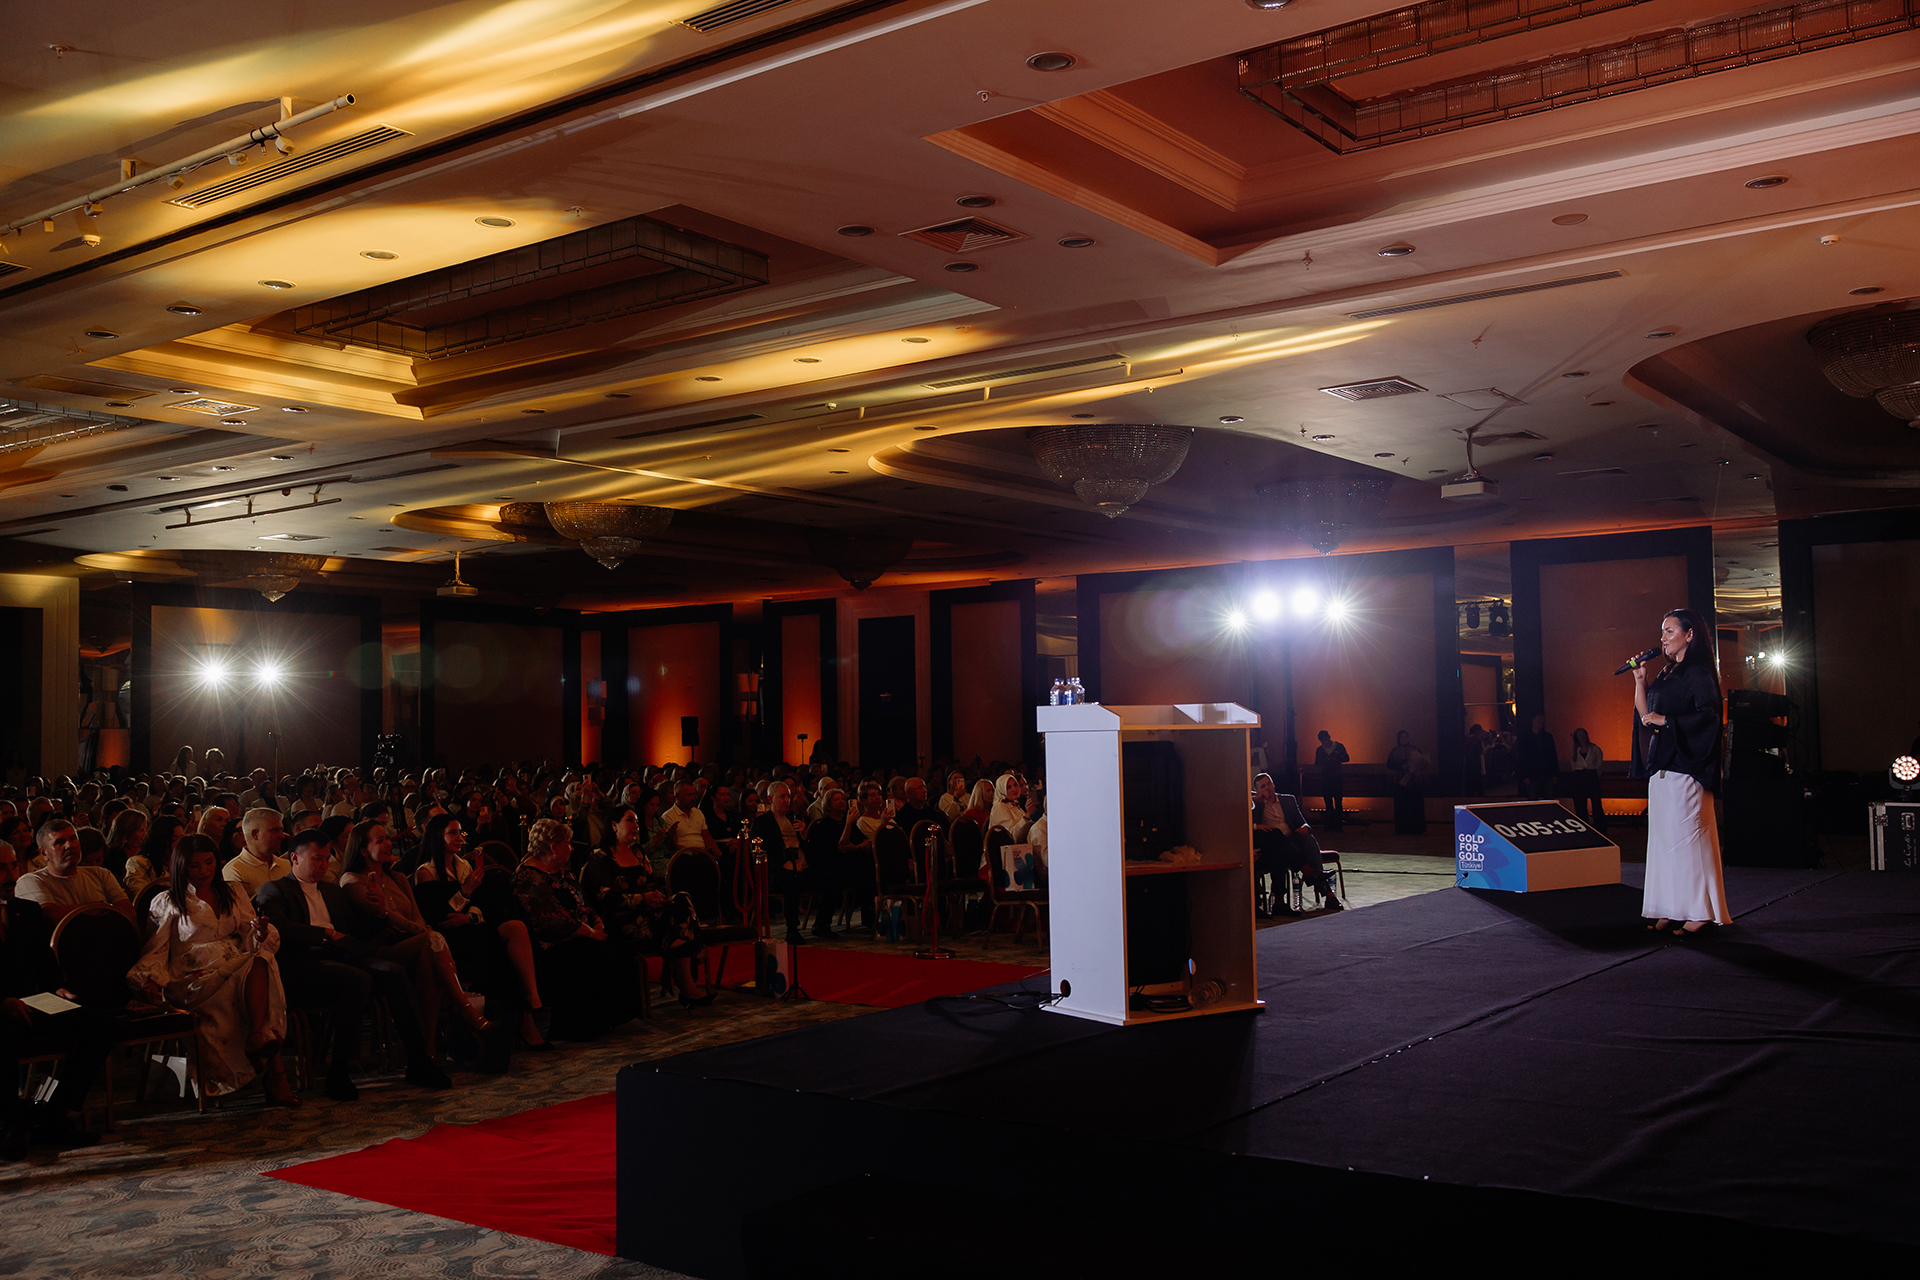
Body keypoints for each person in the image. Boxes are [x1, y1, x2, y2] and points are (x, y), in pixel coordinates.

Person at [254, 829, 453, 1100]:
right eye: (316, 858)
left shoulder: (331, 891)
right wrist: (324, 934)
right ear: (295, 858)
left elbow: (356, 932)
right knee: (357, 979)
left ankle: (418, 1059)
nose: (323, 865)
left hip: (342, 954)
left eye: (326, 858)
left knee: (392, 972)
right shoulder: (276, 889)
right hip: (304, 963)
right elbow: (280, 928)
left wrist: (379, 913)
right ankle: (339, 1070)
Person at [129, 835, 297, 1106]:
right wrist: (149, 979)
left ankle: (257, 1037)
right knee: (253, 977)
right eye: (195, 866)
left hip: (234, 962)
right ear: (181, 867)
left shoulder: (232, 892)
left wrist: (259, 932)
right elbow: (157, 947)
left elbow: (248, 934)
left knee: (262, 958)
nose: (204, 871)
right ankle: (274, 1071)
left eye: (209, 863)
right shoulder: (168, 900)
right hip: (193, 976)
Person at [338, 819, 492, 1055]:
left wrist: (423, 932)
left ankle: (428, 1048)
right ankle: (466, 1011)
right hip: (380, 949)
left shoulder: (398, 878)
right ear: (363, 850)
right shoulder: (352, 880)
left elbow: (417, 916)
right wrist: (425, 933)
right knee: (433, 941)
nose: (388, 844)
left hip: (414, 945)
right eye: (380, 840)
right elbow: (387, 918)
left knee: (429, 962)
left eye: (387, 838)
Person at [1, 838, 114, 1156]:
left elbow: (44, 962)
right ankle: (8, 1124)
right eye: (1, 868)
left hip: (34, 1001)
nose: (11, 875)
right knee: (3, 1037)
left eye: (13, 865)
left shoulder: (25, 910)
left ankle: (55, 1113)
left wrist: (57, 988)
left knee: (100, 1026)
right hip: (1, 1009)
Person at [1629, 607, 1730, 936]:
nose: (1663, 638)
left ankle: (1700, 911)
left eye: (1669, 631)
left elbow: (1710, 717)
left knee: (1688, 842)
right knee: (1664, 843)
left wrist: (1668, 721)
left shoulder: (1699, 672)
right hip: (1663, 767)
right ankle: (1670, 908)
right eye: (1662, 631)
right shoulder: (1666, 673)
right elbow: (1646, 716)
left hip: (1687, 768)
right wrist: (1640, 681)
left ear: (1690, 635)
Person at [410, 814, 547, 1050]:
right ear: (437, 837)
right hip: (448, 939)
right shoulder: (427, 872)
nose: (459, 838)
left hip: (471, 927)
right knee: (496, 951)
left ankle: (529, 1003)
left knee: (517, 929)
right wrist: (465, 892)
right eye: (452, 833)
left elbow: (482, 903)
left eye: (460, 832)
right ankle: (515, 1022)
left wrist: (469, 915)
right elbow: (442, 917)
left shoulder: (463, 865)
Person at [512, 818, 644, 1038]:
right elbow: (551, 920)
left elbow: (583, 902)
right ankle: (579, 1026)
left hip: (581, 933)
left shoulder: (562, 871)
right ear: (554, 847)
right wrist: (590, 932)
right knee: (591, 953)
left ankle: (611, 1017)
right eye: (568, 843)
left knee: (619, 946)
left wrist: (597, 922)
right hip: (551, 944)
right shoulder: (529, 878)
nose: (572, 848)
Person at [581, 805, 707, 1002]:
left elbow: (651, 884)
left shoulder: (638, 852)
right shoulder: (600, 855)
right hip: (622, 920)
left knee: (681, 898)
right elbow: (606, 897)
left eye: (637, 822)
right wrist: (643, 899)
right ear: (614, 825)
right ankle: (687, 982)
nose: (636, 826)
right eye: (630, 820)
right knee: (677, 929)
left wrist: (655, 898)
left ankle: (681, 965)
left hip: (648, 911)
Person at [752, 781, 835, 940]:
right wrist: (784, 864)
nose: (786, 800)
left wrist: (804, 835)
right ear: (770, 798)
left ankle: (821, 923)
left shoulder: (793, 819)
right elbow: (759, 851)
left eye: (788, 797)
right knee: (793, 880)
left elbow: (809, 849)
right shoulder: (763, 822)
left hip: (801, 865)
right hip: (778, 870)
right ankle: (792, 929)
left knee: (831, 878)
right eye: (782, 797)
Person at [1251, 772, 1342, 915]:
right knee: (1279, 847)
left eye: (1269, 784)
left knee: (1308, 839)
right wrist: (1257, 802)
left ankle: (1312, 876)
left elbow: (1303, 822)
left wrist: (1305, 827)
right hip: (1272, 844)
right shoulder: (1255, 804)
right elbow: (1241, 806)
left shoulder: (1288, 800)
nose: (1267, 788)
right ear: (1256, 790)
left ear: (1274, 784)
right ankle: (1321, 885)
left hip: (1293, 839)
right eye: (1263, 786)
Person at [14, 821, 133, 923]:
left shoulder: (100, 874)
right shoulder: (31, 880)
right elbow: (51, 915)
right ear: (44, 853)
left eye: (73, 839)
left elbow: (129, 913)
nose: (69, 845)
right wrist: (101, 907)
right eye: (60, 842)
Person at [221, 808, 292, 898]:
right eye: (275, 830)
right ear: (255, 834)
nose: (282, 836)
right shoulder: (234, 871)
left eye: (281, 830)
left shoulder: (287, 865)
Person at [125, 814, 183, 897]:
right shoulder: (139, 863)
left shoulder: (184, 863)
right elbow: (141, 895)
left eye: (181, 838)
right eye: (174, 839)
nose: (179, 844)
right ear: (162, 840)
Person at [1386, 731, 1427, 835]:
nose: (1404, 739)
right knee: (1402, 806)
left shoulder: (1415, 749)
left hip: (1414, 781)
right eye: (1402, 737)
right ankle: (1403, 829)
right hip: (1401, 782)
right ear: (1399, 739)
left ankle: (1417, 828)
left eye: (1406, 737)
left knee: (1415, 805)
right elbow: (1390, 764)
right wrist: (1401, 766)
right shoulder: (1395, 751)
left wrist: (1416, 767)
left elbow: (1423, 763)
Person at [1568, 728, 1605, 831]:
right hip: (1579, 776)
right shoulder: (1575, 750)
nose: (1582, 737)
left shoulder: (1595, 749)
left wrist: (1596, 773)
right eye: (1579, 735)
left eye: (1583, 734)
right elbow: (1573, 763)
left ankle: (1600, 828)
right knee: (1580, 803)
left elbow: (1599, 762)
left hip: (1591, 775)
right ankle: (1584, 828)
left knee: (1596, 803)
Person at [1312, 730, 1350, 832]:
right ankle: (1331, 824)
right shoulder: (1321, 750)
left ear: (1329, 737)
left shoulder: (1338, 747)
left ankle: (1337, 824)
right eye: (1322, 741)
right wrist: (1327, 760)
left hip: (1335, 777)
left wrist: (1337, 758)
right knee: (1328, 802)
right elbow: (1317, 763)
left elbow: (1346, 758)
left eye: (1325, 740)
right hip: (1327, 777)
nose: (1324, 742)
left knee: (1338, 801)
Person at [1517, 714, 1560, 801]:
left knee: (1549, 798)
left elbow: (1553, 755)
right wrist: (1525, 775)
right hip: (1532, 773)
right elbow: (1522, 757)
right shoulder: (1525, 737)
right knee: (1532, 798)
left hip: (1546, 773)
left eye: (1543, 720)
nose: (1541, 722)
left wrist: (1555, 773)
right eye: (1539, 719)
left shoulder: (1548, 737)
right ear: (1533, 720)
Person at [988, 773, 1035, 842]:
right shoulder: (999, 807)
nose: (1014, 789)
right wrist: (1027, 816)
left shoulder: (1015, 806)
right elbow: (1010, 836)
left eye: (1015, 785)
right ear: (1002, 790)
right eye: (1009, 787)